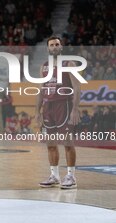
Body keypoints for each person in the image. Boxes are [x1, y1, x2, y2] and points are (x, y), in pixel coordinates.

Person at [35, 36, 80, 189]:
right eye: (51, 45)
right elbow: (42, 90)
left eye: (57, 44)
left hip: (64, 105)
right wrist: (37, 111)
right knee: (50, 144)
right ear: (48, 48)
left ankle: (71, 176)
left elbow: (77, 87)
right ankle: (54, 175)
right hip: (48, 108)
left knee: (67, 142)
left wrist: (75, 108)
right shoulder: (44, 66)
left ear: (61, 47)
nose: (54, 47)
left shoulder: (69, 64)